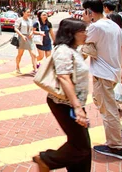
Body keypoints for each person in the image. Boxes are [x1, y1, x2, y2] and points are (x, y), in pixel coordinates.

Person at [32, 19, 91, 172]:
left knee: (80, 146)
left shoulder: (75, 50)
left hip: (73, 103)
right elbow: (64, 77)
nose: (86, 34)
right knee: (81, 147)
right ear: (71, 34)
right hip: (64, 103)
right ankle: (46, 160)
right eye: (82, 32)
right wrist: (77, 107)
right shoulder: (63, 51)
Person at [82, 0, 122, 160]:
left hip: (103, 74)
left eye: (85, 12)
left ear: (89, 12)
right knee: (106, 104)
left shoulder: (95, 27)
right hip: (114, 72)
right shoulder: (114, 25)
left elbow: (82, 44)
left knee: (107, 109)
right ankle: (120, 133)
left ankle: (116, 146)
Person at [14, 8, 38, 74]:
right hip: (22, 38)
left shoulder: (30, 20)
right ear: (23, 12)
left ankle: (35, 69)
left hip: (29, 38)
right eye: (27, 12)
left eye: (29, 12)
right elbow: (16, 28)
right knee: (20, 54)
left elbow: (32, 29)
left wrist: (31, 33)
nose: (29, 13)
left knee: (33, 54)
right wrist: (22, 35)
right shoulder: (19, 20)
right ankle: (17, 67)